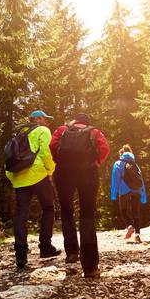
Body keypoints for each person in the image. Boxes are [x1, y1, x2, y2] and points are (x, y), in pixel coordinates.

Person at [50, 113, 110, 278]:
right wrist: (95, 162)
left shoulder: (62, 129)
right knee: (87, 215)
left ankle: (71, 252)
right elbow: (105, 149)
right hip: (88, 173)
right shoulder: (94, 132)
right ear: (87, 122)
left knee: (66, 212)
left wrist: (60, 162)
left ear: (74, 121)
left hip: (64, 173)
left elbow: (52, 146)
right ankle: (90, 267)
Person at [5, 110, 61, 269]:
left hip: (19, 178)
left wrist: (13, 178)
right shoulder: (42, 130)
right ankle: (45, 247)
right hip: (38, 175)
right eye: (46, 119)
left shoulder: (18, 134)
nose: (47, 123)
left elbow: (9, 159)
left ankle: (20, 255)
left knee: (20, 215)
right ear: (39, 119)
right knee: (48, 208)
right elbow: (46, 153)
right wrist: (50, 171)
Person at [110, 144, 147, 243]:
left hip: (124, 190)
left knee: (123, 210)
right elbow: (141, 180)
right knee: (136, 212)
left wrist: (114, 193)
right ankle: (137, 234)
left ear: (121, 155)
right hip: (137, 190)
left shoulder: (118, 163)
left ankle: (130, 226)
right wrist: (143, 195)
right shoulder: (135, 165)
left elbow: (115, 180)